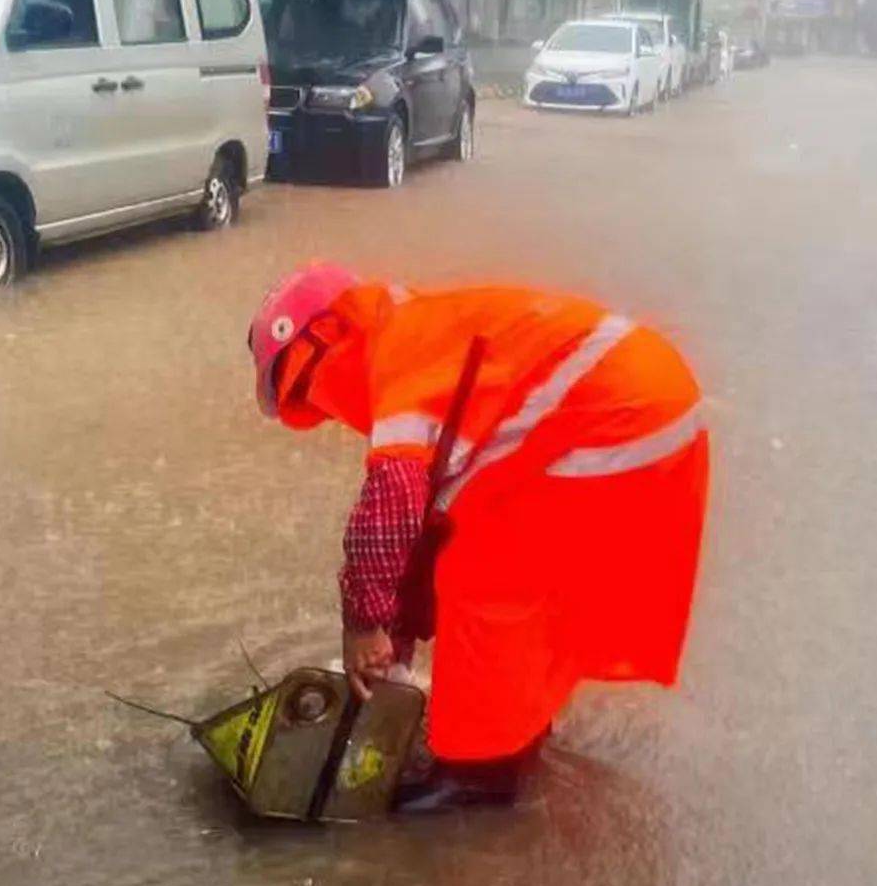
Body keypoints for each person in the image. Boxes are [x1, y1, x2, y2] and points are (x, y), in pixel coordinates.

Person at [247, 263, 709, 813]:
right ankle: (517, 729)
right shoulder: (417, 332)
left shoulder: (395, 357)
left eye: (306, 384)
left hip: (616, 415)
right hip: (649, 399)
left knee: (483, 578)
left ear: (327, 338)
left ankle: (477, 770)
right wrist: (398, 627)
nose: (321, 404)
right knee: (518, 573)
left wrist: (363, 624)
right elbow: (427, 518)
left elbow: (388, 509)